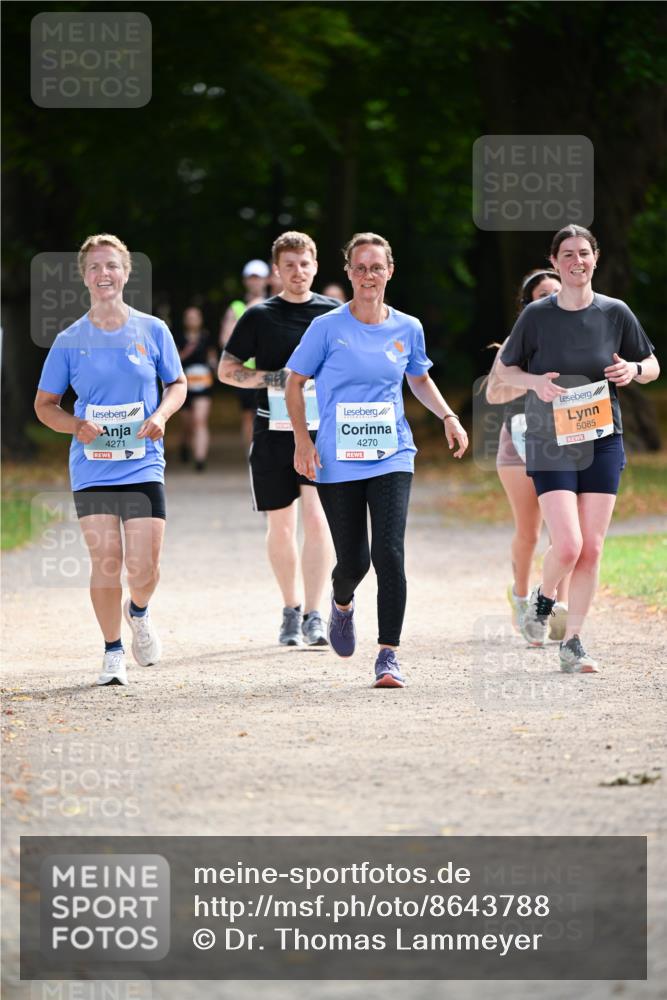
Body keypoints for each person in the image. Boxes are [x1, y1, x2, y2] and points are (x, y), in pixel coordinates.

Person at [285, 232, 468, 688]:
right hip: (336, 459)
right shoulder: (327, 327)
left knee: (389, 553)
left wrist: (447, 415)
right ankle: (341, 603)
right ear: (348, 272)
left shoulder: (408, 327)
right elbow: (294, 382)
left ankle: (388, 654)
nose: (369, 275)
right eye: (360, 267)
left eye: (377, 267)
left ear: (390, 271)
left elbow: (419, 378)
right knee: (355, 561)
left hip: (391, 454)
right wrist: (303, 442)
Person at [496, 224, 659, 673]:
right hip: (551, 441)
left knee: (592, 549)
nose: (576, 261)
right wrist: (534, 383)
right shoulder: (537, 316)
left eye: (583, 252)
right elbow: (505, 372)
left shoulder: (615, 312)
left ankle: (574, 643)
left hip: (603, 439)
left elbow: (652, 365)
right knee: (567, 544)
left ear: (595, 258)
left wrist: (634, 369)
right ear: (554, 262)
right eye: (566, 254)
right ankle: (542, 602)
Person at [34, 233, 186, 686]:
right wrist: (74, 426)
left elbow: (177, 383)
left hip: (142, 462)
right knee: (106, 561)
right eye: (96, 267)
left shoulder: (153, 330)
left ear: (126, 272)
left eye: (112, 266)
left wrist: (161, 413)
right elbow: (45, 405)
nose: (105, 274)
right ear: (84, 276)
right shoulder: (69, 340)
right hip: (93, 465)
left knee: (144, 567)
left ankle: (138, 611)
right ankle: (112, 651)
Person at [218, 231, 339, 646]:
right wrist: (273, 378)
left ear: (316, 266)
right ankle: (290, 608)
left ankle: (315, 612)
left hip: (322, 433)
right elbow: (225, 369)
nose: (298, 272)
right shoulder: (259, 315)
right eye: (289, 265)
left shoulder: (333, 314)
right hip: (273, 431)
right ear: (276, 270)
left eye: (305, 264)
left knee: (316, 516)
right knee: (282, 524)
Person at [486, 269, 570, 638]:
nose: (550, 298)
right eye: (542, 294)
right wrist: (532, 383)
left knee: (565, 532)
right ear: (528, 303)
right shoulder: (515, 341)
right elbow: (492, 394)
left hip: (567, 439)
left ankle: (556, 608)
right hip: (519, 441)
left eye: (556, 291)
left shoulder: (579, 336)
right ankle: (521, 596)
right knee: (530, 530)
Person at [219, 260, 270, 449]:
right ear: (245, 281)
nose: (255, 282)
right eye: (251, 278)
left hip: (271, 369)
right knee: (249, 414)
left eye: (259, 278)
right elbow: (225, 340)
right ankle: (252, 454)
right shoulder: (236, 307)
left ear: (267, 280)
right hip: (245, 371)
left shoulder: (277, 303)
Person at [178, 305, 216, 471]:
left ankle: (200, 459)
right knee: (188, 423)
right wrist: (186, 352)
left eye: (196, 317)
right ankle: (185, 444)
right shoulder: (178, 338)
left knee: (200, 421)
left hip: (203, 384)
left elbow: (212, 357)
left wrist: (215, 367)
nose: (193, 320)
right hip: (184, 386)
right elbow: (172, 362)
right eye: (189, 317)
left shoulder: (207, 337)